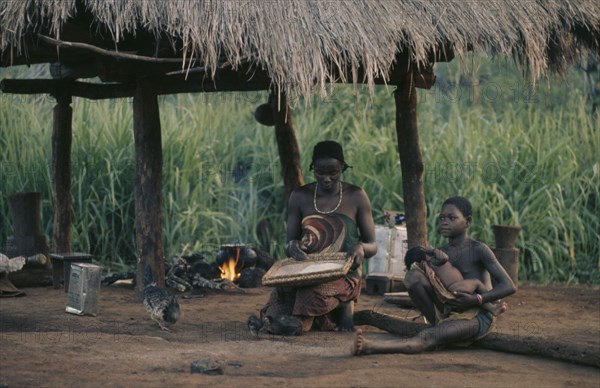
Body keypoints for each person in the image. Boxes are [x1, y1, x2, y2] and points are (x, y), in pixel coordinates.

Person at [352, 196, 516, 355]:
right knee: (413, 277)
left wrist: (476, 299)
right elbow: (430, 284)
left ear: (467, 221)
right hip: (449, 310)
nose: (445, 221)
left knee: (427, 337)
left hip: (478, 314)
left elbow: (508, 286)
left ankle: (371, 346)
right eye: (442, 218)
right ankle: (439, 325)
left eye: (452, 218)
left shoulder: (478, 249)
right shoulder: (440, 254)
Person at [254, 140, 377, 334]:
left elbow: (372, 245)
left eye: (333, 173)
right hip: (307, 270)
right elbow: (290, 243)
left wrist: (361, 248)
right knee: (282, 293)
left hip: (343, 272)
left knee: (309, 295)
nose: (326, 179)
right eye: (320, 173)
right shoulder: (300, 196)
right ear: (313, 169)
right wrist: (292, 247)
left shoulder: (356, 196)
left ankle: (299, 324)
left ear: (343, 168)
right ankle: (275, 321)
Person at [403, 246, 507, 317]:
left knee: (475, 291)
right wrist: (433, 250)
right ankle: (492, 305)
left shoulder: (430, 264)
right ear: (424, 256)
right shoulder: (432, 262)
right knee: (477, 283)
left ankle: (491, 304)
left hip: (457, 288)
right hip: (454, 287)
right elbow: (444, 257)